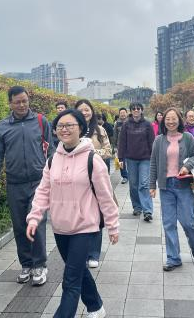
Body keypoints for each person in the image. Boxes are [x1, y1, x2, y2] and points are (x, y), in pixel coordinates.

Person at [26, 109, 119, 318]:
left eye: (70, 125)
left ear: (81, 128)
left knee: (70, 280)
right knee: (78, 271)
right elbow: (43, 191)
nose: (64, 129)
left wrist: (113, 226)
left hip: (85, 227)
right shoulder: (53, 160)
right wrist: (34, 218)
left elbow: (105, 196)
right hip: (60, 227)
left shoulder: (92, 160)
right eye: (60, 126)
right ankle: (96, 306)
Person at [0, 86, 53, 286]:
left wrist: (55, 176)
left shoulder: (41, 121)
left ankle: (39, 265)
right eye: (17, 102)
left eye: (24, 101)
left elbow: (51, 150)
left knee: (37, 223)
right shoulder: (2, 127)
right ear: (10, 103)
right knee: (19, 225)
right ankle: (26, 264)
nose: (22, 105)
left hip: (38, 182)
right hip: (15, 183)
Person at [149, 108, 194, 271]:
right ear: (163, 121)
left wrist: (187, 166)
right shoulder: (159, 140)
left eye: (174, 119)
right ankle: (173, 258)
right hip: (166, 186)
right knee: (168, 223)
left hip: (183, 185)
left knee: (188, 222)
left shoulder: (187, 138)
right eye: (167, 119)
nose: (170, 122)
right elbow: (153, 163)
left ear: (179, 120)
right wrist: (152, 185)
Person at [75, 99, 113, 268]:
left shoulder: (99, 129)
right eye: (81, 110)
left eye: (87, 109)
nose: (84, 113)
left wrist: (90, 153)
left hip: (96, 177)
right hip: (77, 179)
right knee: (80, 215)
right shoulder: (72, 129)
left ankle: (94, 253)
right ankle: (81, 252)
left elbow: (108, 151)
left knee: (97, 215)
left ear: (92, 111)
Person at [118, 102, 155, 222]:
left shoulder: (147, 124)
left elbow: (152, 142)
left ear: (141, 110)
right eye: (133, 108)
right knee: (133, 185)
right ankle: (137, 207)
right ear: (130, 111)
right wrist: (120, 158)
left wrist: (154, 158)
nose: (136, 110)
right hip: (131, 159)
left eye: (138, 108)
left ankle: (147, 210)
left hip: (145, 158)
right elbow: (122, 142)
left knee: (144, 184)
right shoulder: (126, 125)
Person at [113, 107, 129, 184]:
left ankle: (132, 175)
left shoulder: (131, 122)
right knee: (121, 161)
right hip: (120, 145)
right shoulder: (117, 123)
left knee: (131, 161)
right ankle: (125, 177)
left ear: (126, 113)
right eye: (121, 113)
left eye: (124, 112)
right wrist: (115, 147)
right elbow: (115, 135)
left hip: (130, 145)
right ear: (119, 114)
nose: (122, 114)